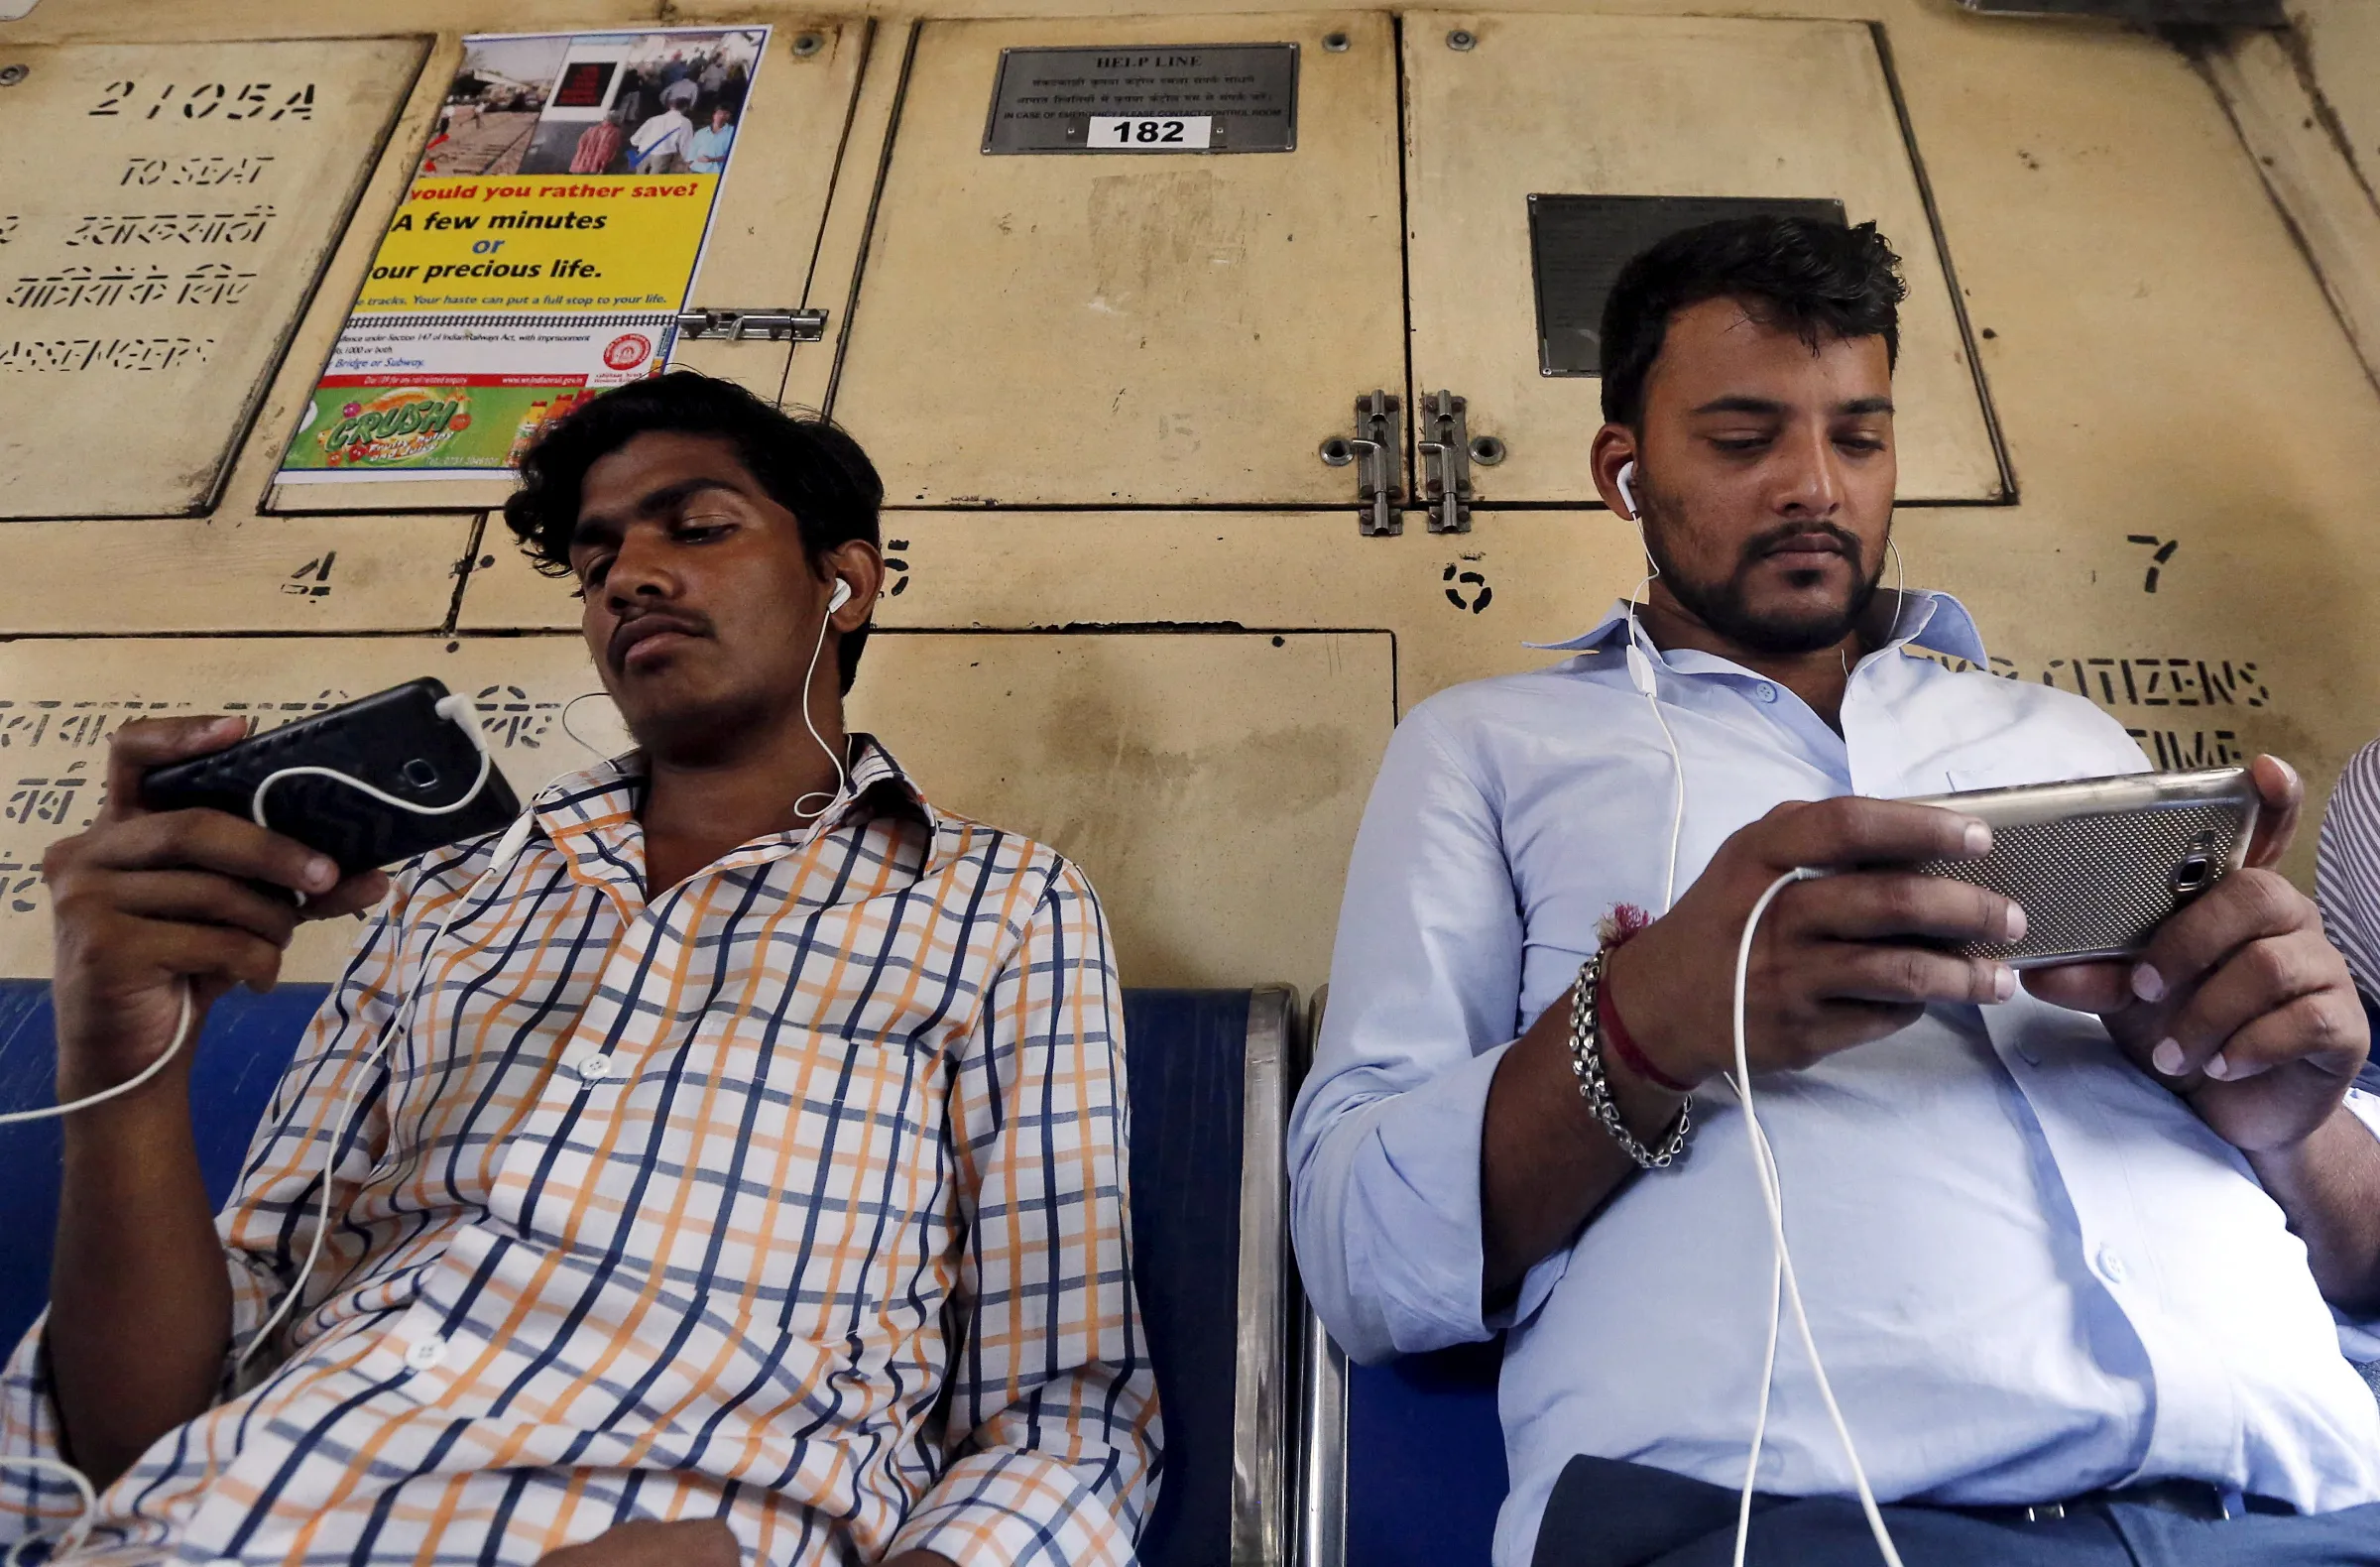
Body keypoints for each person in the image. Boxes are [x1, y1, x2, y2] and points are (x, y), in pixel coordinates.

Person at [1289, 215, 2380, 1567]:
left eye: (1859, 438)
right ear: (1624, 473)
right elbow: (1353, 1253)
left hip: (2311, 1505)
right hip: (1789, 1525)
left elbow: (2364, 1251)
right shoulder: (1491, 750)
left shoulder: (2066, 742)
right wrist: (1643, 1027)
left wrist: (2293, 1126)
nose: (1815, 485)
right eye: (1744, 441)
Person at [5, 373, 1157, 1565]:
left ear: (845, 583)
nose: (629, 576)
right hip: (212, 1519)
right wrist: (123, 1065)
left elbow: (1064, 1422)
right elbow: (134, 1433)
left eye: (697, 527)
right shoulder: (448, 898)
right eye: (595, 557)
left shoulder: (996, 903)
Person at [629, 100, 692, 175]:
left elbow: (635, 138)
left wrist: (636, 143)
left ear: (671, 106)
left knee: (639, 178)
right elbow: (685, 143)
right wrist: (688, 159)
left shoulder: (654, 119)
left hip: (644, 151)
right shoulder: (684, 122)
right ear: (685, 108)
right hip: (662, 154)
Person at [569, 106, 628, 176]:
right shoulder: (615, 132)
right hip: (596, 168)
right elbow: (607, 151)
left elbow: (581, 145)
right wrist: (602, 168)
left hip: (580, 166)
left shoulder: (591, 129)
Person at [688, 106, 737, 177]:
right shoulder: (701, 132)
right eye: (719, 113)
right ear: (714, 115)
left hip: (719, 172)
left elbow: (734, 153)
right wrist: (690, 166)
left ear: (730, 116)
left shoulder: (734, 132)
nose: (722, 116)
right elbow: (692, 152)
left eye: (726, 114)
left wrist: (712, 159)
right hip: (698, 170)